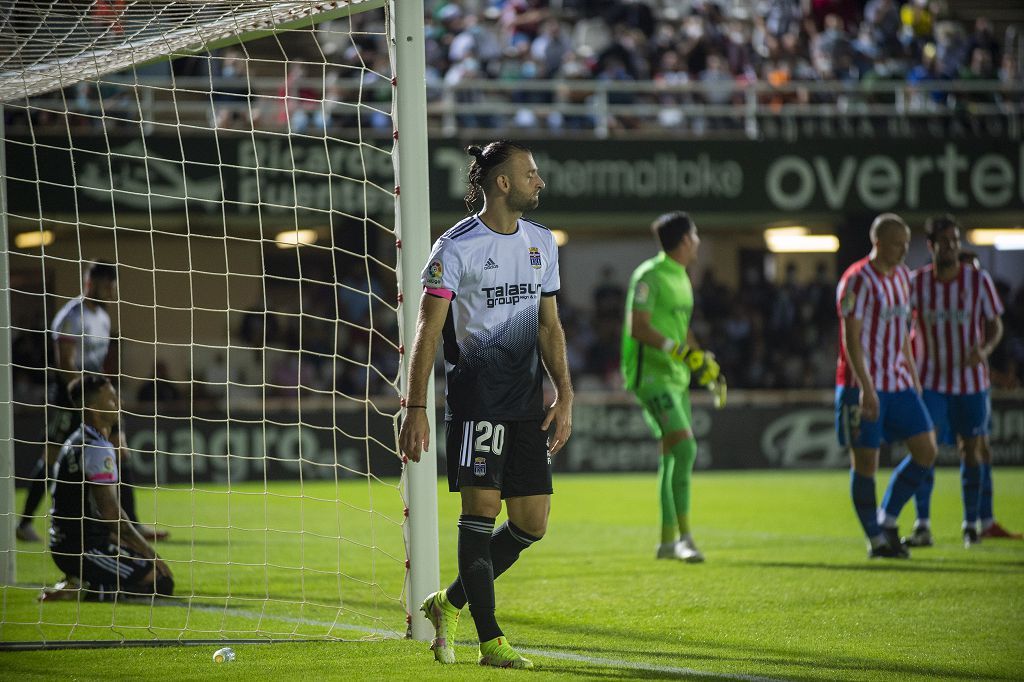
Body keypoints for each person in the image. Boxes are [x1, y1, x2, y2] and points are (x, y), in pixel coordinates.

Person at [399, 141, 572, 669]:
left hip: (525, 404)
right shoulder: (455, 247)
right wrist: (417, 405)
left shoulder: (541, 243)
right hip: (476, 402)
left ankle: (446, 603)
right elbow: (428, 329)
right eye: (531, 173)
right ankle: (490, 640)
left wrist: (564, 393)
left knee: (531, 523)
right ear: (503, 183)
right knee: (480, 511)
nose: (539, 181)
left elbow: (549, 326)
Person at [16, 260, 165, 543]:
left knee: (121, 451)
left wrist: (106, 392)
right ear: (91, 283)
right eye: (107, 285)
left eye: (114, 285)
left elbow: (98, 364)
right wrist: (85, 395)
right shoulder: (71, 316)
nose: (112, 290)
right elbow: (64, 364)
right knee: (50, 459)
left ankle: (133, 524)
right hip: (70, 398)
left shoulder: (104, 318)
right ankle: (24, 523)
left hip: (97, 396)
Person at [905, 217, 1020, 547]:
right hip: (930, 383)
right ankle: (922, 523)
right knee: (925, 450)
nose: (951, 247)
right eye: (944, 241)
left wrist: (983, 349)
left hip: (971, 383)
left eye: (955, 240)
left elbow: (996, 325)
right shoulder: (917, 283)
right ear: (931, 245)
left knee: (972, 451)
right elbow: (901, 327)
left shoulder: (977, 280)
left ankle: (972, 523)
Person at [620, 211, 726, 564]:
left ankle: (667, 542)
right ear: (684, 240)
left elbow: (681, 329)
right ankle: (685, 538)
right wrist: (679, 351)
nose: (697, 241)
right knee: (686, 449)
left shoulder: (681, 275)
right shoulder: (649, 275)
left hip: (676, 376)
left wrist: (701, 360)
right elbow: (639, 327)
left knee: (671, 455)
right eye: (694, 235)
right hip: (650, 376)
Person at [835, 213, 938, 559]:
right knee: (866, 462)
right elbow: (851, 338)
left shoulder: (902, 279)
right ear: (878, 243)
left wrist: (912, 373)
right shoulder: (857, 280)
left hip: (898, 381)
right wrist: (865, 385)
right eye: (898, 243)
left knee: (927, 450)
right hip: (863, 384)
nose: (904, 250)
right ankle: (876, 540)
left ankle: (887, 518)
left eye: (907, 244)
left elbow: (903, 332)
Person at [40, 375, 174, 601]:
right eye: (112, 400)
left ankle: (79, 580)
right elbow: (112, 515)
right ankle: (82, 590)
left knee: (144, 568)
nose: (119, 403)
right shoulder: (97, 448)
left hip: (69, 542)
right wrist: (152, 555)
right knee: (161, 583)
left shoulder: (76, 439)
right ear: (93, 409)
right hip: (82, 549)